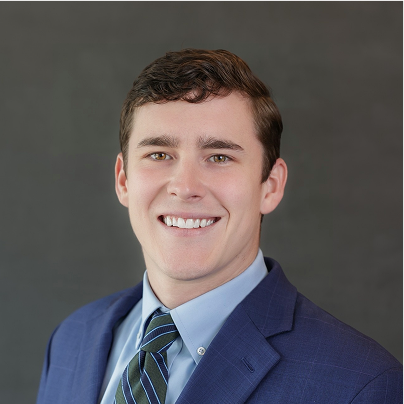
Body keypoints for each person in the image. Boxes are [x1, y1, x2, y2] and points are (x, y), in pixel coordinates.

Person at [36, 49, 403, 404]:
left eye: (219, 157)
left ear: (270, 186)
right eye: (159, 154)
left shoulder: (361, 386)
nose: (185, 187)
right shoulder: (72, 341)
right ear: (123, 180)